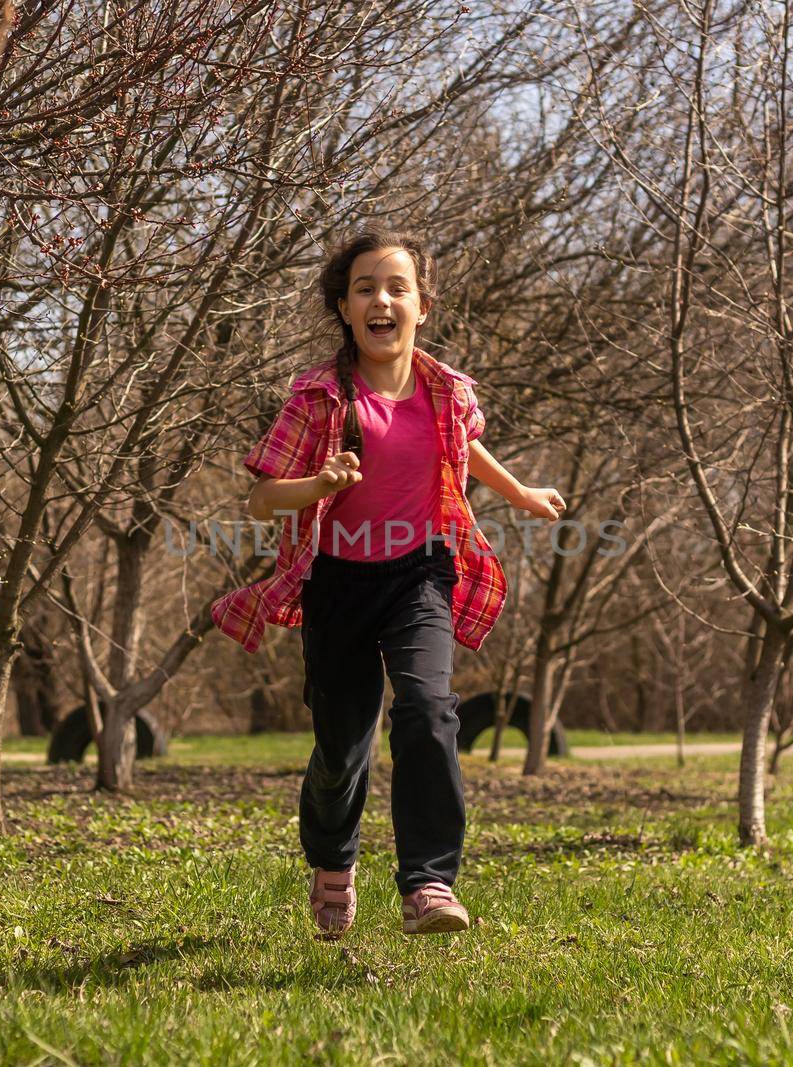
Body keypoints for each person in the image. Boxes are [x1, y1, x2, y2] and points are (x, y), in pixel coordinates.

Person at [211, 228, 565, 937]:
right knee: (343, 748)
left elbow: (461, 444)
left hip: (419, 574)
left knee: (429, 710)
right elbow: (260, 499)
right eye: (366, 288)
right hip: (337, 579)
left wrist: (520, 491)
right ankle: (333, 859)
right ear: (344, 307)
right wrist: (319, 481)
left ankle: (429, 881)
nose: (382, 300)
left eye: (397, 287)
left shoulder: (446, 391)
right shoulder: (317, 397)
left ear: (422, 306)